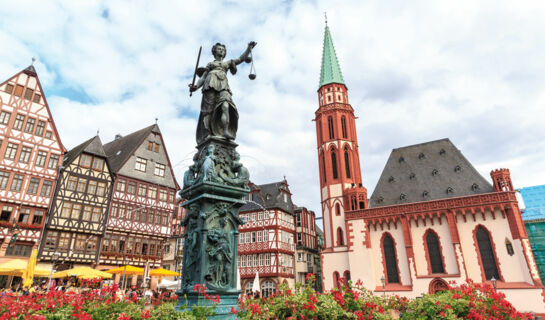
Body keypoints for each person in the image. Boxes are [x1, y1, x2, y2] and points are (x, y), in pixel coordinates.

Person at [189, 41, 257, 143]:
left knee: (226, 105)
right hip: (210, 84)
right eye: (219, 49)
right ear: (214, 51)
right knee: (208, 111)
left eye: (223, 49)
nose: (221, 50)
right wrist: (196, 87)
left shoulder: (227, 63)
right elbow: (203, 77)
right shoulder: (211, 64)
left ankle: (225, 130)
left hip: (223, 85)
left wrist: (248, 48)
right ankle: (207, 133)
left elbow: (241, 58)